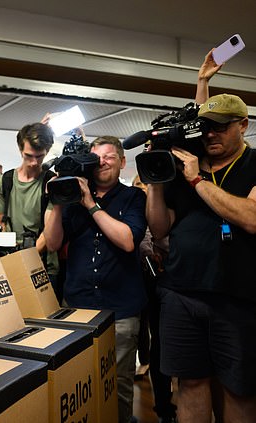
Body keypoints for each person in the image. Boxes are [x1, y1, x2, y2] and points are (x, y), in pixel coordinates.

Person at [145, 52, 256, 422]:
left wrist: (197, 180)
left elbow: (251, 218)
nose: (211, 133)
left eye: (222, 127)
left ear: (243, 125)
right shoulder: (189, 163)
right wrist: (156, 180)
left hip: (236, 297)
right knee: (189, 384)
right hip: (181, 292)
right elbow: (160, 228)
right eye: (207, 126)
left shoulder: (252, 164)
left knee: (238, 389)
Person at [44, 136, 147, 423]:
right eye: (96, 157)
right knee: (77, 382)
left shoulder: (134, 197)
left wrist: (90, 203)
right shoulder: (71, 199)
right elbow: (52, 243)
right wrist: (58, 201)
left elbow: (128, 241)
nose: (102, 162)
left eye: (110, 157)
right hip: (77, 305)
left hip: (121, 309)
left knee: (119, 385)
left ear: (122, 162)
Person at [133, 175, 176, 423]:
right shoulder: (141, 203)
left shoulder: (170, 195)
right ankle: (163, 407)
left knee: (163, 338)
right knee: (157, 337)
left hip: (174, 273)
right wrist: (151, 252)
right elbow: (144, 237)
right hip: (152, 276)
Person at [0, 122, 58, 278]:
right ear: (21, 150)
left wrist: (25, 258)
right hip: (9, 263)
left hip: (43, 266)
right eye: (29, 156)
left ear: (47, 152)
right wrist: (5, 247)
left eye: (39, 156)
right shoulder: (4, 181)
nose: (34, 162)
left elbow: (49, 231)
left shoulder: (52, 183)